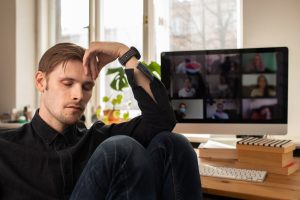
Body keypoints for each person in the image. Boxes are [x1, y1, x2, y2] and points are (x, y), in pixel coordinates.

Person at [0, 42, 202, 200]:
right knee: (121, 147)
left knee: (174, 144)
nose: (78, 95)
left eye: (87, 87)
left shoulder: (97, 139)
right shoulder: (6, 148)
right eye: (67, 83)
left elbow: (162, 120)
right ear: (41, 81)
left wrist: (124, 53)